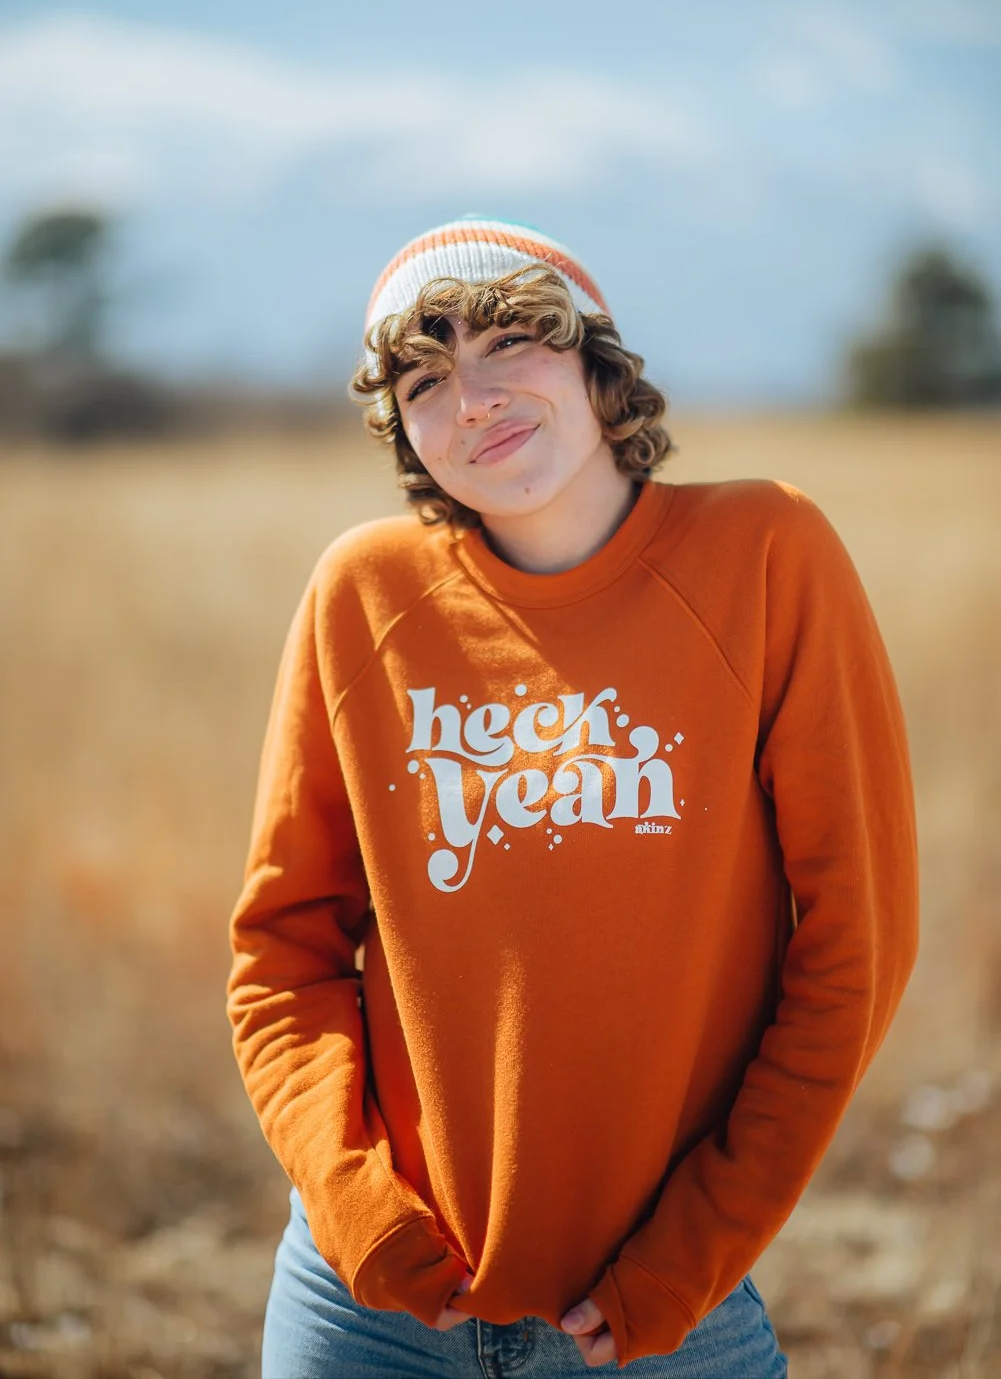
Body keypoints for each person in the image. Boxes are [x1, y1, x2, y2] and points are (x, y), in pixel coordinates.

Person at [227, 216, 919, 1377]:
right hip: (372, 1313)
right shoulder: (363, 592)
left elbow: (856, 949)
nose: (474, 397)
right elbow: (281, 954)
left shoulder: (764, 553)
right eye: (423, 372)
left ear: (597, 364)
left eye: (508, 342)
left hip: (658, 1322)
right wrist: (360, 1213)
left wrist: (689, 1254)